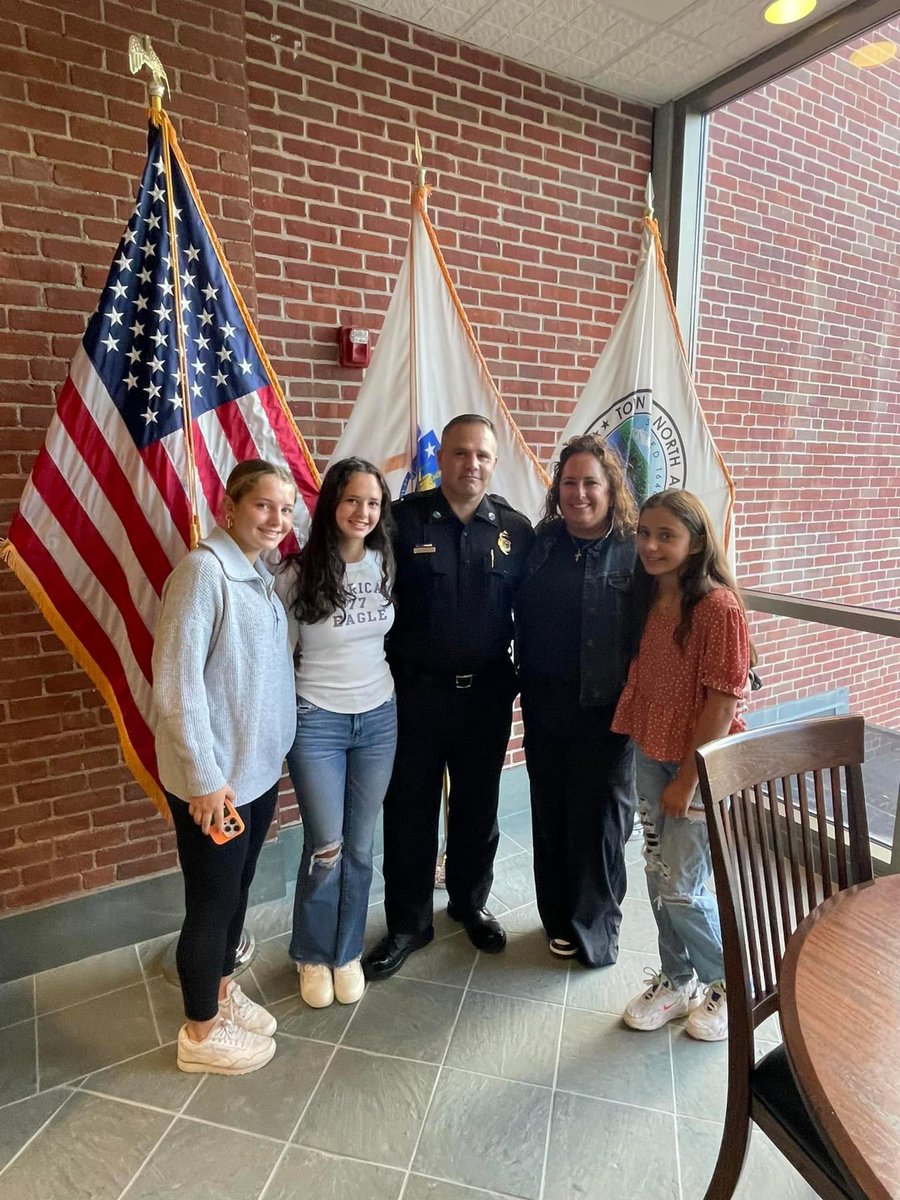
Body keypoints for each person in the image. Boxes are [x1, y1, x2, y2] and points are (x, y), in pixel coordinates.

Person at [362, 415, 534, 980]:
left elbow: (529, 615)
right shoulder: (402, 521)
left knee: (477, 806)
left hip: (485, 695)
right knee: (408, 809)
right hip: (414, 694)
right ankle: (409, 922)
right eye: (461, 453)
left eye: (483, 455)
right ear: (443, 458)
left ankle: (469, 902)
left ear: (493, 460)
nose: (472, 465)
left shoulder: (515, 528)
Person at [152, 459, 297, 1075]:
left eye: (286, 510)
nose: (277, 520)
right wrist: (206, 781)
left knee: (236, 894)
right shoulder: (202, 573)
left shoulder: (259, 577)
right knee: (211, 903)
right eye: (264, 505)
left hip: (256, 773)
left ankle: (219, 988)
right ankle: (200, 1032)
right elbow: (178, 687)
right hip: (215, 784)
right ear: (229, 509)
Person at [613, 489, 751, 1042]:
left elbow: (722, 701)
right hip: (650, 751)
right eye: (644, 533)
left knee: (683, 888)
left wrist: (688, 781)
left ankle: (728, 985)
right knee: (656, 870)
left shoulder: (717, 608)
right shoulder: (649, 596)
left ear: (696, 542)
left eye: (665, 535)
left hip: (694, 765)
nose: (650, 545)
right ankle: (676, 978)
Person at [276, 458, 398, 1009]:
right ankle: (310, 950)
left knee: (362, 845)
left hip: (378, 718)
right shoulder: (297, 574)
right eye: (352, 500)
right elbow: (277, 656)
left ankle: (345, 950)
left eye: (373, 502)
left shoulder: (385, 563)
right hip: (317, 721)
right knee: (326, 847)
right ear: (331, 504)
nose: (363, 512)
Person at [515, 435, 637, 967]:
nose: (579, 493)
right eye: (569, 482)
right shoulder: (542, 542)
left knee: (602, 822)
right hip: (544, 706)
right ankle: (558, 917)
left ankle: (597, 929)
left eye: (591, 483)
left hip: (608, 712)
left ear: (611, 490)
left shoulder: (635, 550)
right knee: (552, 811)